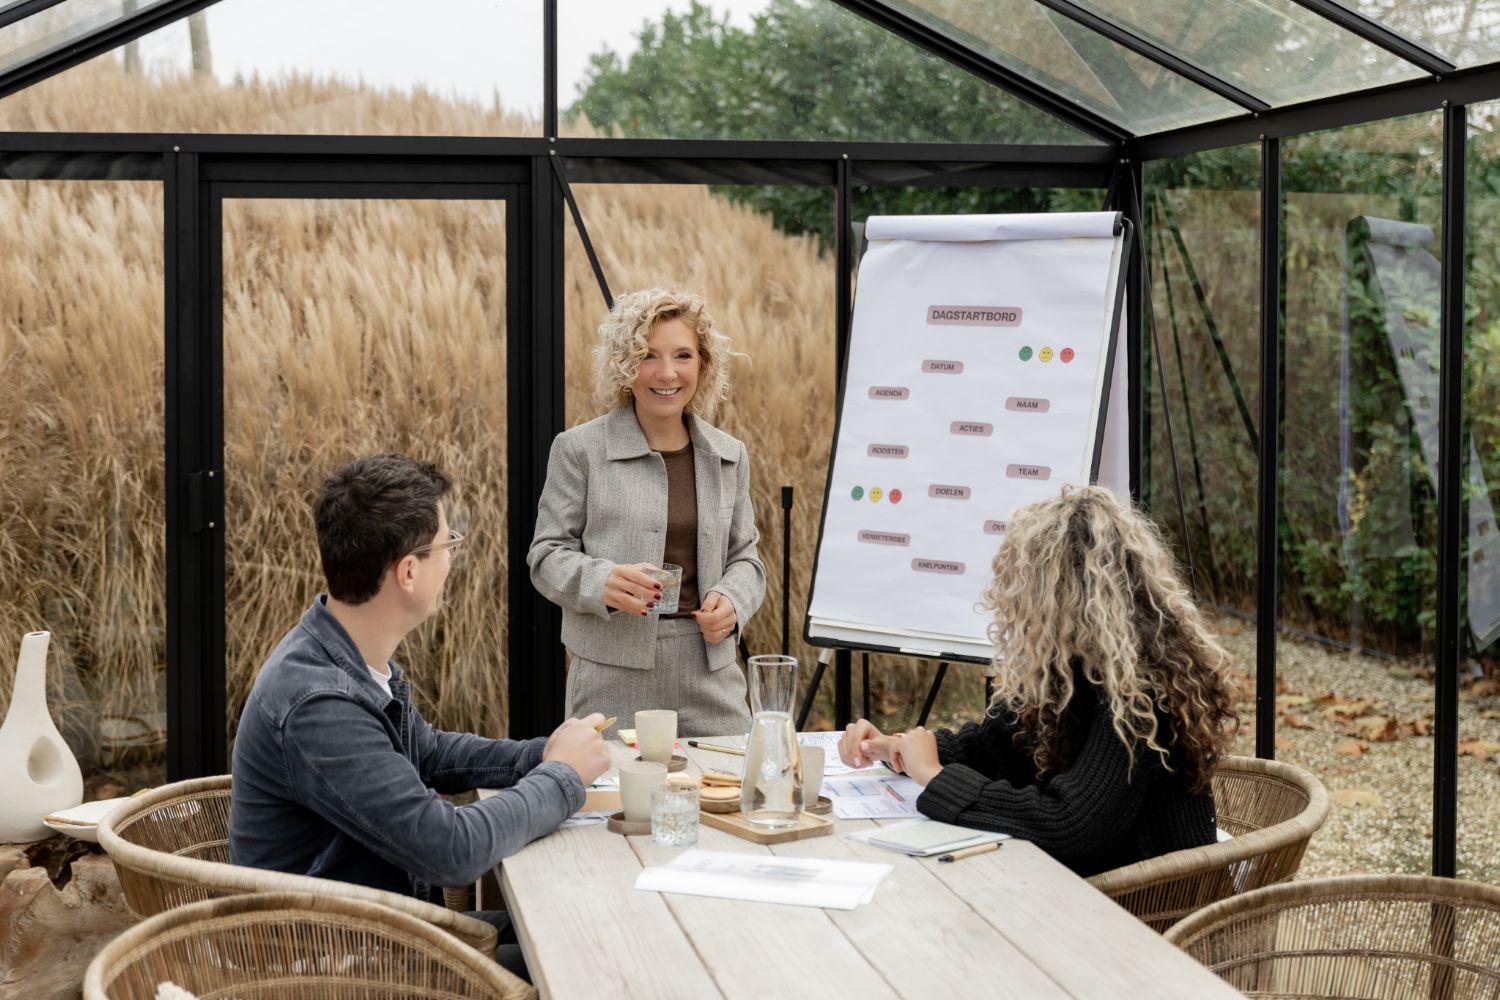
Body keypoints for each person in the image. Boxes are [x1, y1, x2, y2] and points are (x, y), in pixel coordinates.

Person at [230, 453, 611, 976]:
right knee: (592, 968)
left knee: (585, 926)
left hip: (386, 928)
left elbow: (429, 752)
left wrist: (543, 752)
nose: (451, 560)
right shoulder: (319, 704)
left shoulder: (344, 652)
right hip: (336, 968)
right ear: (408, 570)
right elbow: (449, 848)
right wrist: (561, 776)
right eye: (447, 546)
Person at [838, 485, 1239, 877]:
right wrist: (897, 747)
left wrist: (937, 777)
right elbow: (992, 747)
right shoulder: (1072, 670)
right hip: (1084, 890)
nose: (1011, 606)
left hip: (1144, 913)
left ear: (1060, 598)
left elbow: (1067, 828)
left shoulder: (1139, 697)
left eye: (1022, 590)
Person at [528, 288, 765, 739]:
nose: (667, 373)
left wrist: (733, 602)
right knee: (614, 806)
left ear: (704, 364)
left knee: (729, 799)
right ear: (624, 363)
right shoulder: (578, 450)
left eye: (683, 355)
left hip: (711, 673)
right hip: (611, 677)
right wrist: (603, 581)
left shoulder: (729, 455)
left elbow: (747, 559)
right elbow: (545, 556)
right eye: (648, 355)